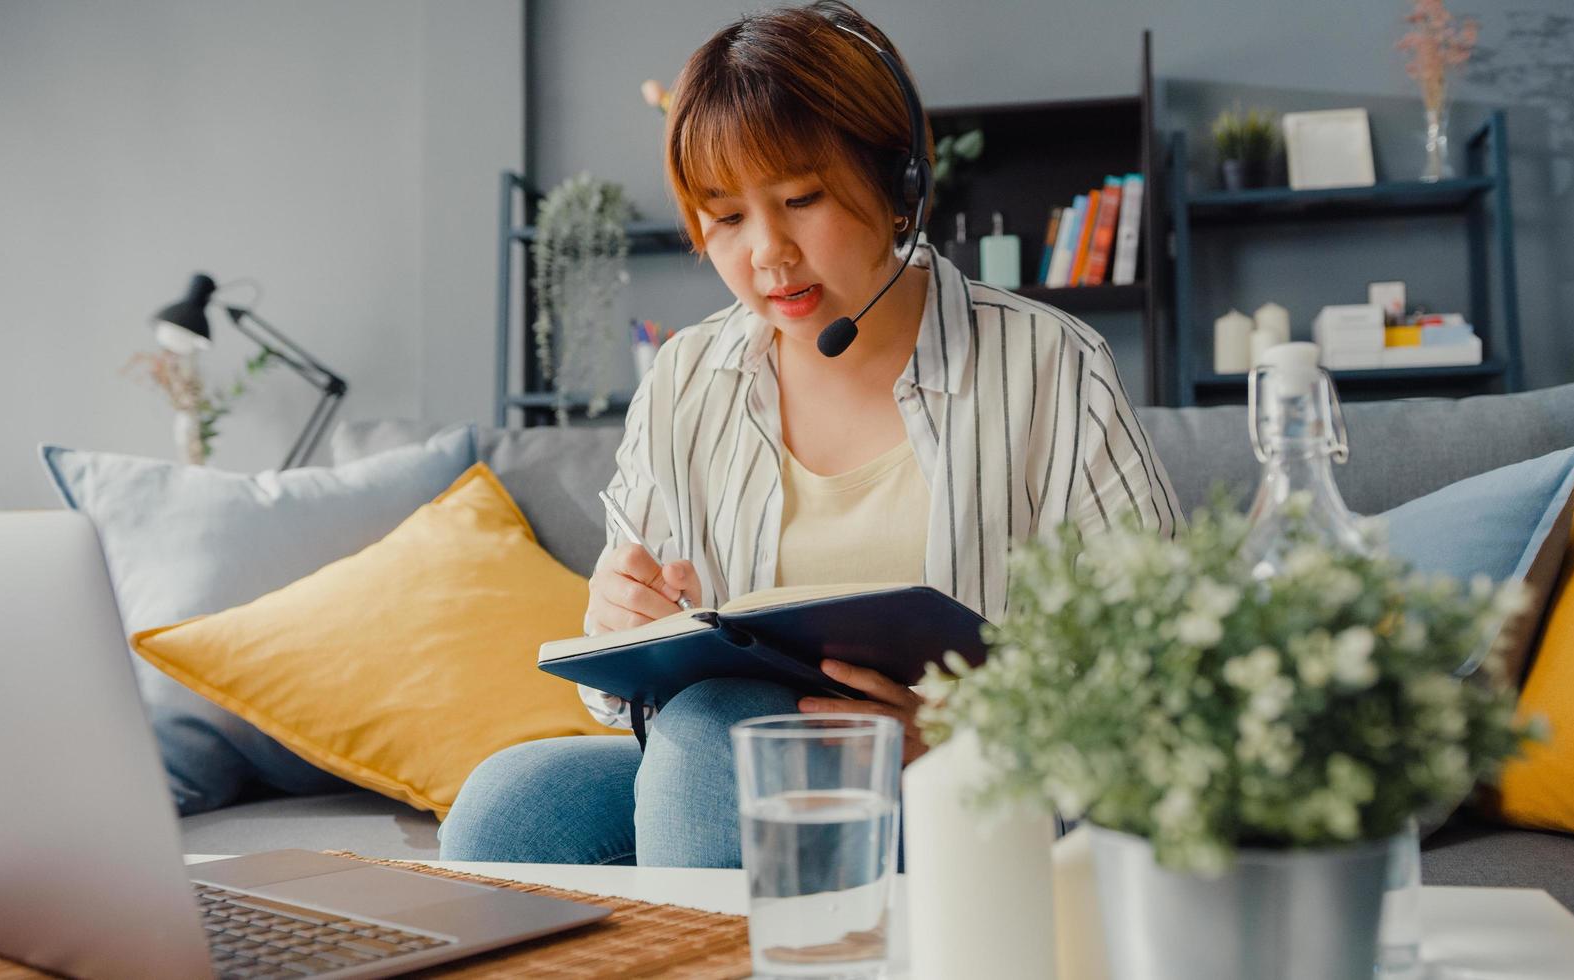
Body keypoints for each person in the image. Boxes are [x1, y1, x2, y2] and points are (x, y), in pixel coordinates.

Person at [440, 0, 1178, 868]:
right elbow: (630, 688)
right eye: (726, 218)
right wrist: (617, 627)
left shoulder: (1050, 363)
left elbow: (1161, 665)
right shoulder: (685, 379)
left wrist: (965, 729)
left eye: (800, 199)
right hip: (731, 771)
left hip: (980, 782)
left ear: (899, 183)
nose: (767, 253)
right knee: (509, 808)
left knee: (709, 735)